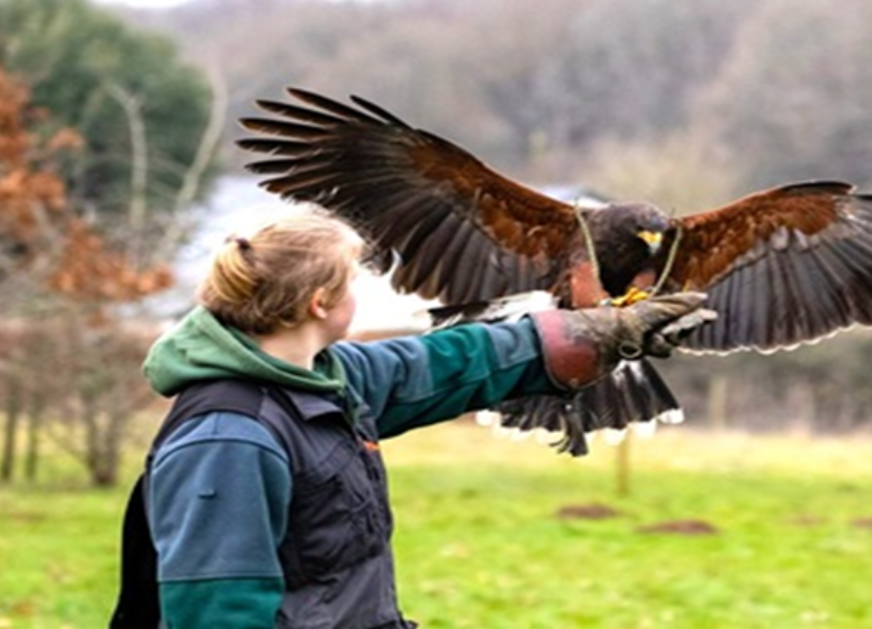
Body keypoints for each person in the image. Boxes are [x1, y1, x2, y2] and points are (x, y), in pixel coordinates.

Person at [111, 208, 715, 629]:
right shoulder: (230, 438)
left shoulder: (325, 380)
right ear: (320, 303)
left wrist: (595, 334)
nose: (361, 295)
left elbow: (439, 364)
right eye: (352, 283)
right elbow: (216, 611)